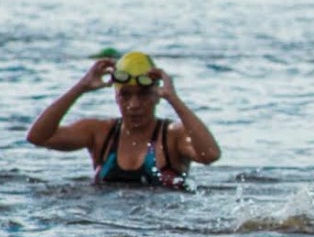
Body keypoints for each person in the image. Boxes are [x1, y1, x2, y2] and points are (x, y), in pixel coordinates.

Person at [27, 51, 221, 189]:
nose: (134, 104)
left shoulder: (172, 136)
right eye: (125, 95)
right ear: (116, 97)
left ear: (156, 96)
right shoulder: (100, 132)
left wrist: (174, 99)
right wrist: (81, 87)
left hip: (163, 232)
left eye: (143, 95)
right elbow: (38, 137)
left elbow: (210, 154)